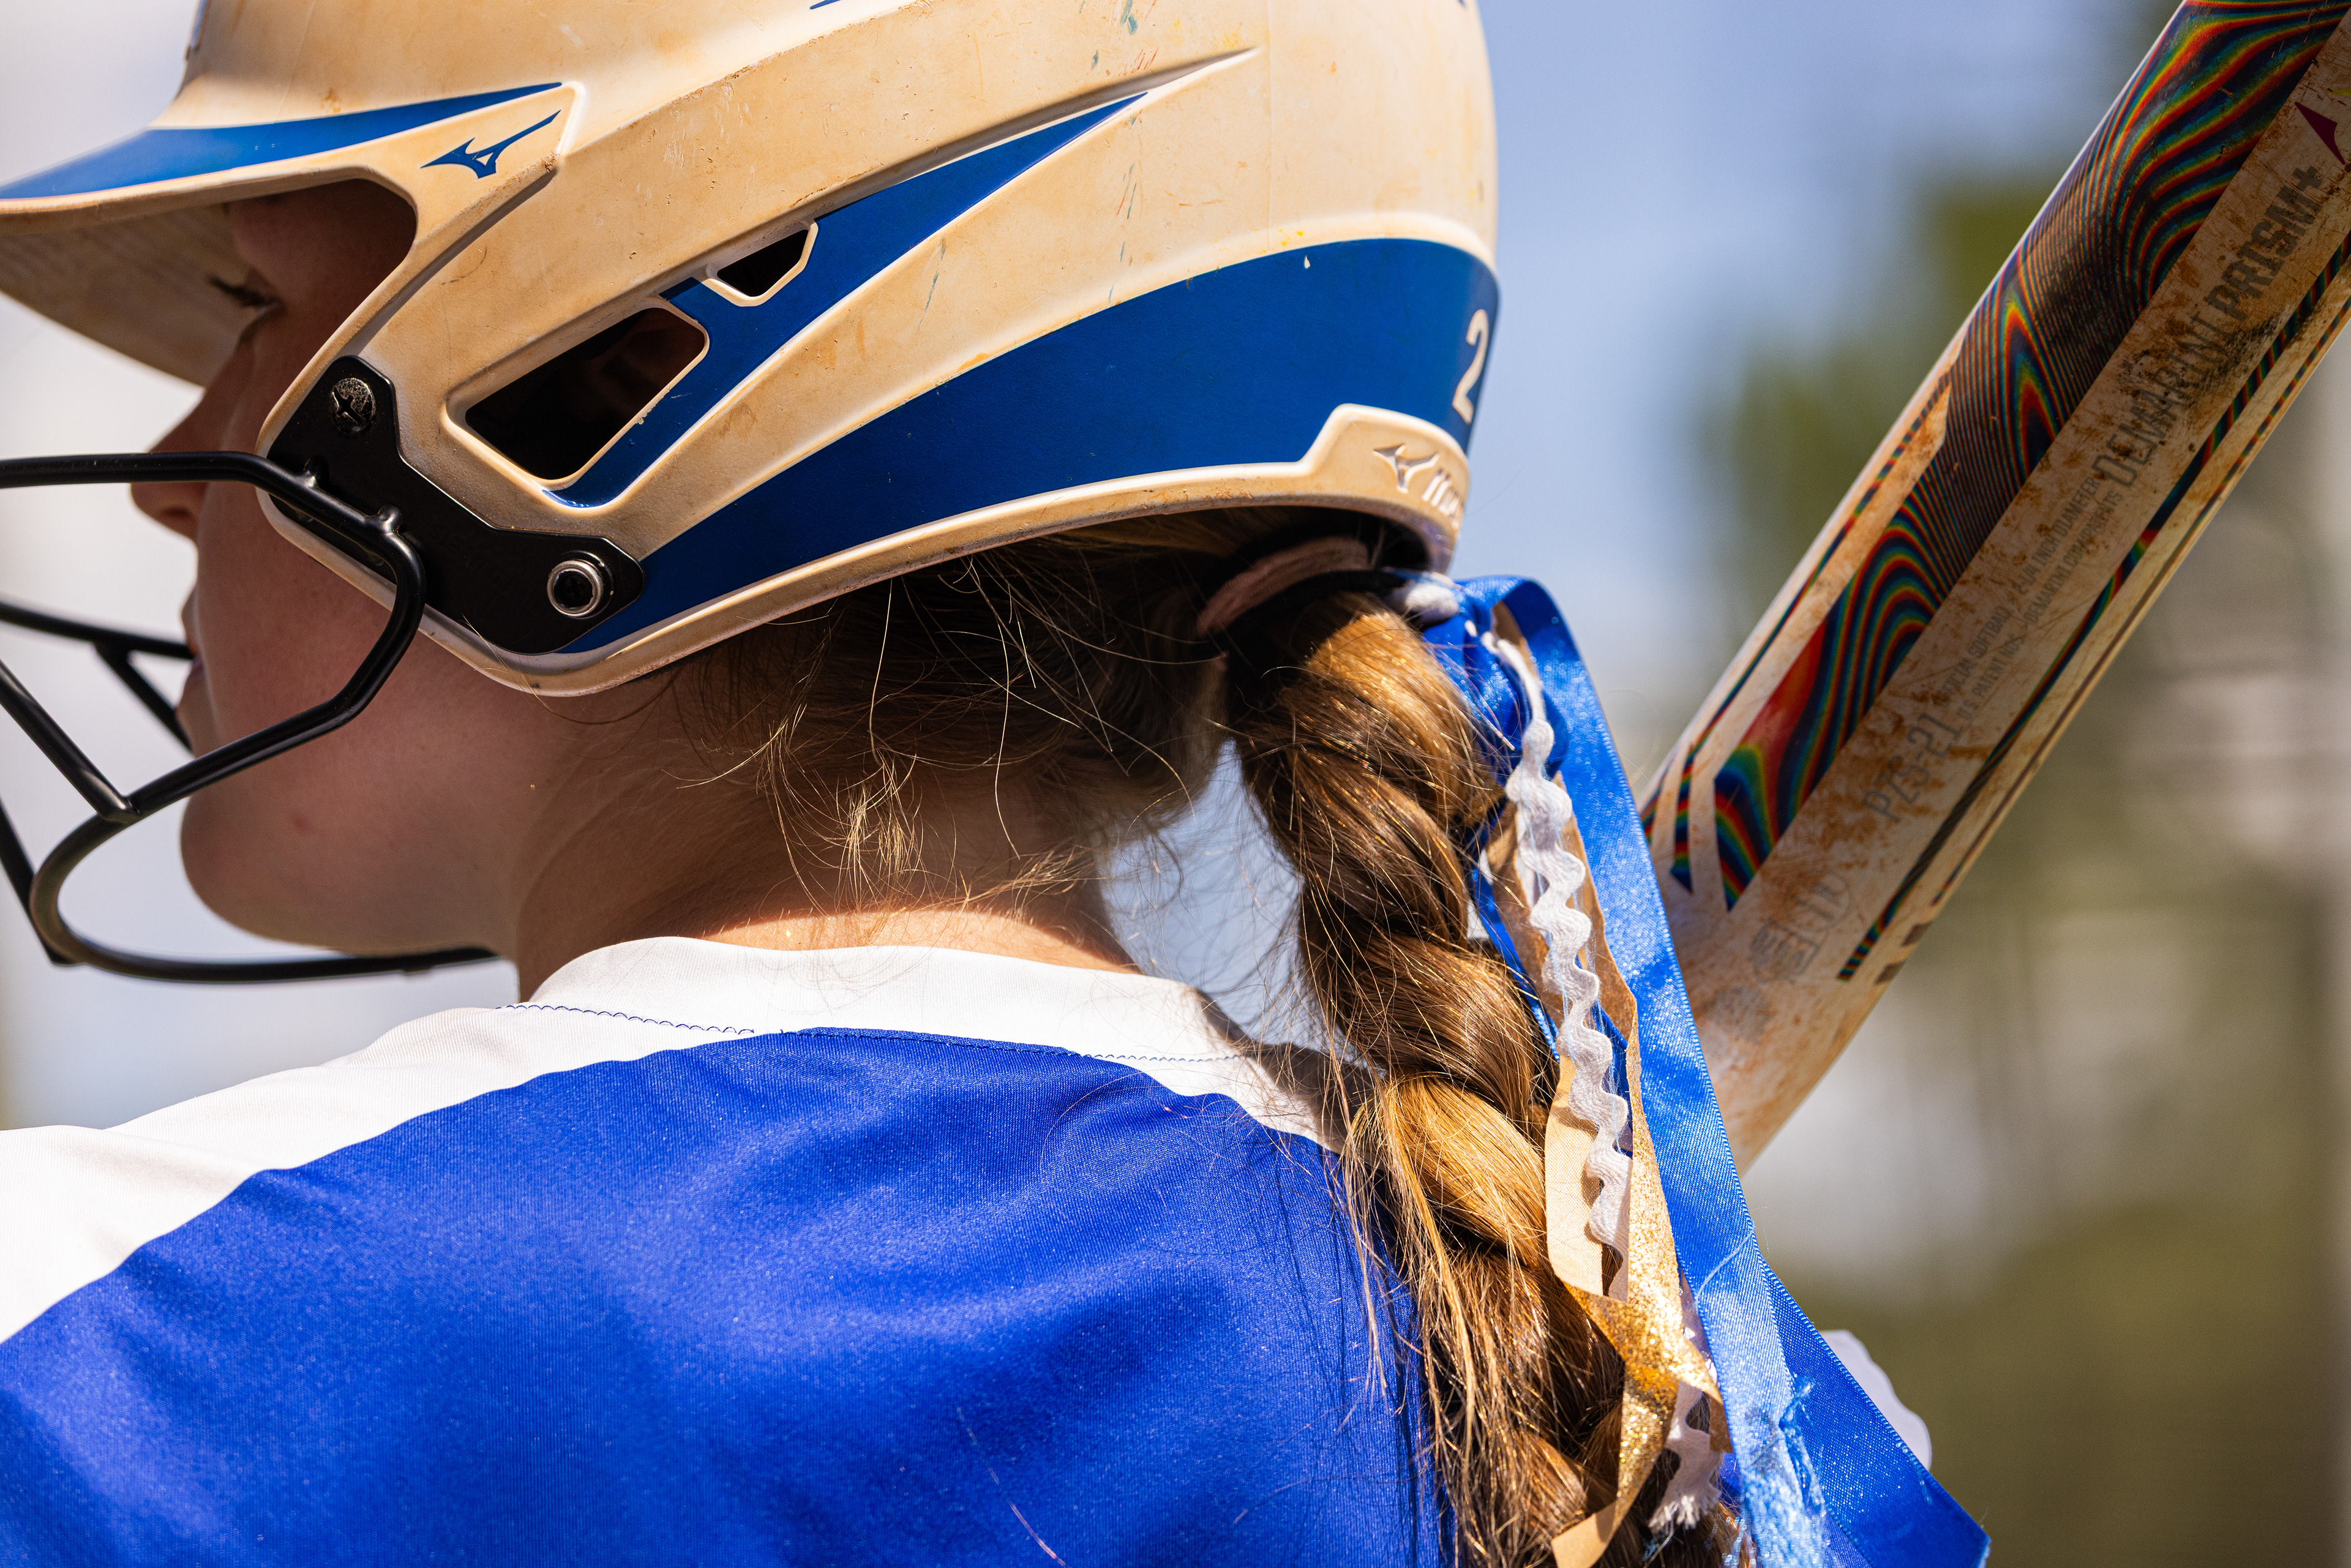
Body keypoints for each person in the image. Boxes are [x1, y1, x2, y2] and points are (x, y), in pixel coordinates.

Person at [0, 4, 1970, 1566]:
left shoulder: (103, 1358)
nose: (177, 460)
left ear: (604, 375)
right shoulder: (1700, 1437)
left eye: (257, 317)